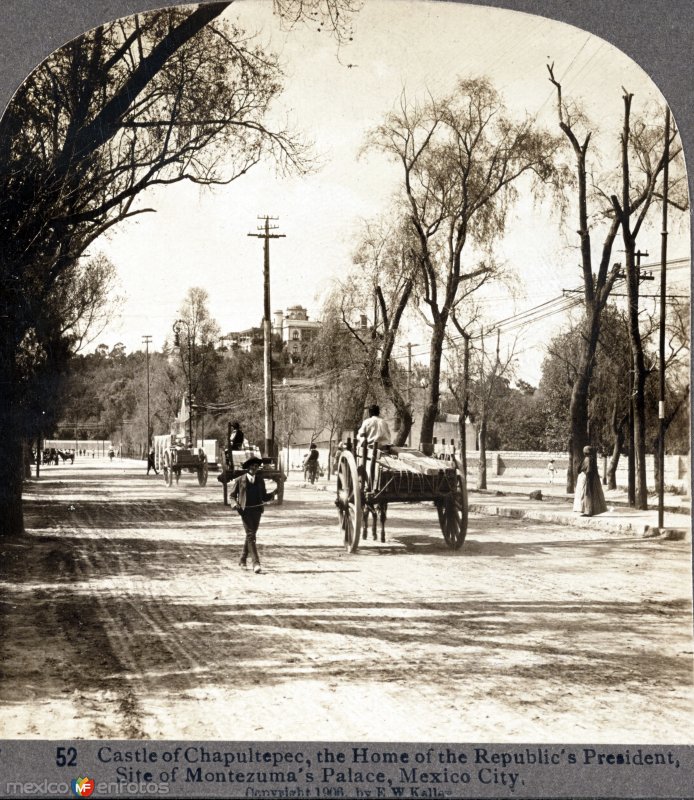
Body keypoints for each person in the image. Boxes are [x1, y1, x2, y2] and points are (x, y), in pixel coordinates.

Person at [229, 456, 276, 574]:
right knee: (250, 535)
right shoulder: (240, 480)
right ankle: (256, 563)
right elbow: (232, 496)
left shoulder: (260, 480)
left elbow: (264, 497)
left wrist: (274, 493)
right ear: (248, 467)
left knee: (251, 535)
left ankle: (242, 559)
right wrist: (234, 504)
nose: (254, 468)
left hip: (257, 511)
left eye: (256, 466)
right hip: (245, 511)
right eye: (252, 466)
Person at [573, 446, 607, 516]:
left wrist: (588, 479)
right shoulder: (591, 459)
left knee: (587, 494)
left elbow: (588, 470)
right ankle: (589, 510)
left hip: (587, 478)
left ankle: (588, 511)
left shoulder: (587, 459)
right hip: (591, 478)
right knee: (590, 494)